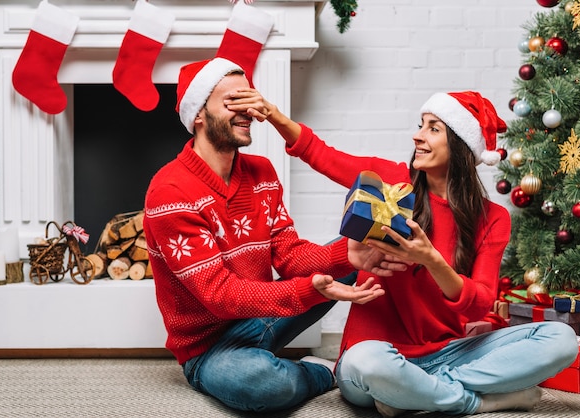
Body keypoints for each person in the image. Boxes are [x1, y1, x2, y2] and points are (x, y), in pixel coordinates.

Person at [223, 89, 580, 416]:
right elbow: (321, 155)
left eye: (433, 128)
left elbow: (480, 303)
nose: (417, 136)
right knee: (368, 364)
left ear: (459, 145)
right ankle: (475, 401)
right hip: (376, 354)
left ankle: (415, 393)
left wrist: (431, 260)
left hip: (447, 354)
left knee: (561, 340)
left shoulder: (492, 219)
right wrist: (275, 116)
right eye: (420, 126)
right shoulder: (393, 183)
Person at [141, 49, 397, 411]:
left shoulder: (260, 173)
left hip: (261, 313)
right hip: (209, 349)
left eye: (251, 99)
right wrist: (309, 291)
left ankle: (403, 349)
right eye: (234, 101)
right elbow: (220, 295)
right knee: (263, 385)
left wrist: (346, 256)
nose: (248, 111)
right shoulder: (170, 192)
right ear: (198, 113)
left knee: (360, 246)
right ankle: (325, 373)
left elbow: (289, 254)